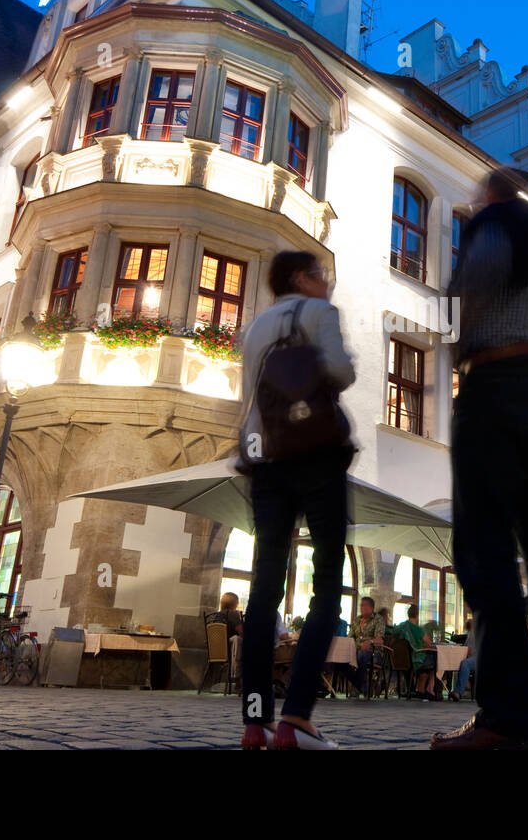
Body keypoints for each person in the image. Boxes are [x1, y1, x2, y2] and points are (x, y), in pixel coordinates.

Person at [431, 168, 528, 751]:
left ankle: (506, 717)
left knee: (485, 550)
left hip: (500, 381)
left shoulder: (495, 222)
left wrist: (459, 345)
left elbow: (472, 285)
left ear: (490, 195)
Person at [237, 250, 355, 751]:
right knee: (327, 581)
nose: (326, 283)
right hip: (317, 456)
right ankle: (297, 718)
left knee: (264, 585)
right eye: (320, 274)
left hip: (265, 461)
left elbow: (248, 398)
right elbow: (340, 372)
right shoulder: (319, 313)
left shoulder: (255, 326)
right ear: (301, 278)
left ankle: (255, 721)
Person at [398, 605, 438, 699]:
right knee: (437, 660)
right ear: (417, 615)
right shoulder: (417, 629)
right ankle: (429, 689)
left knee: (430, 659)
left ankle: (421, 688)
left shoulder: (402, 626)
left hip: (403, 659)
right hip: (417, 659)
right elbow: (429, 643)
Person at [347, 596, 385, 699]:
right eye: (361, 605)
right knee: (341, 660)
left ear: (371, 608)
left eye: (364, 605)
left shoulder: (378, 619)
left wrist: (370, 641)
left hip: (373, 652)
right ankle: (362, 686)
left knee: (362, 655)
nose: (361, 607)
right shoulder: (357, 620)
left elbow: (379, 640)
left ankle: (356, 687)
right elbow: (350, 637)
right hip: (355, 651)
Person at [206, 592, 244, 679]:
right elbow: (242, 632)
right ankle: (238, 676)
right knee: (241, 640)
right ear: (233, 603)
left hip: (215, 651)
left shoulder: (216, 615)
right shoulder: (233, 614)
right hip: (229, 651)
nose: (237, 604)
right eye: (237, 602)